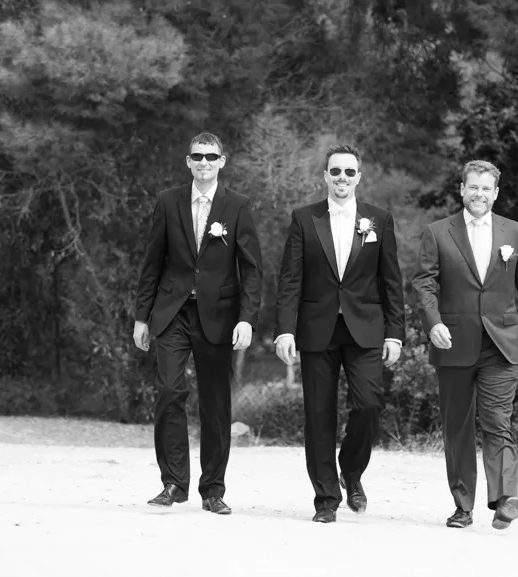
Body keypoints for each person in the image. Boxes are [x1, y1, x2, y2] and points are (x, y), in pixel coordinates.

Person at [274, 144, 406, 523]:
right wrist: (285, 330)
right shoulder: (304, 218)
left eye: (349, 172)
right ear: (326, 176)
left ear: (359, 177)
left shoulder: (379, 220)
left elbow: (390, 280)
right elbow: (289, 280)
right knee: (318, 415)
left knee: (368, 404)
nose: (342, 178)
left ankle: (350, 469)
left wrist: (394, 332)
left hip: (365, 328)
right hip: (316, 330)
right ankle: (326, 499)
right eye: (335, 172)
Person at [133, 132, 263, 514]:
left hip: (219, 316)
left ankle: (213, 490)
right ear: (188, 161)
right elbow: (151, 263)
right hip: (172, 311)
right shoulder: (168, 201)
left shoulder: (238, 206)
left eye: (211, 156)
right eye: (197, 156)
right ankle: (173, 483)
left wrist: (247, 319)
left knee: (216, 403)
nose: (204, 162)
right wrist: (142, 317)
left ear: (222, 161)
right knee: (169, 391)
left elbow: (252, 270)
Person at [411, 160, 518, 530]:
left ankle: (505, 498)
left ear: (496, 193)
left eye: (486, 189)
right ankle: (463, 505)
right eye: (473, 187)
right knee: (457, 427)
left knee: (498, 420)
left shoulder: (514, 233)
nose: (479, 194)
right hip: (453, 341)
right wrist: (433, 322)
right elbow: (423, 284)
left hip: (501, 343)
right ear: (462, 190)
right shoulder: (438, 233)